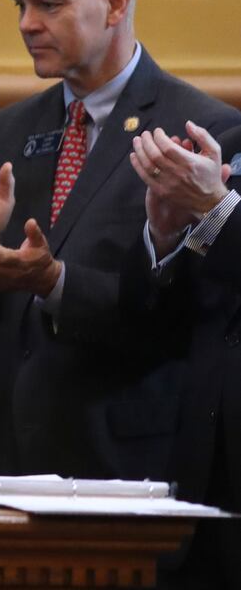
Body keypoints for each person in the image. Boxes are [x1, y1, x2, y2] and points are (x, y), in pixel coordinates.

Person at [0, 0, 240, 480]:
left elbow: (186, 320)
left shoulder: (202, 134)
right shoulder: (2, 133)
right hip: (4, 469)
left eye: (48, 5)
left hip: (128, 472)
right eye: (19, 5)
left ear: (116, 2)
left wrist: (55, 282)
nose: (26, 24)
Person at [130, 123, 241, 587]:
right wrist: (166, 233)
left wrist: (217, 208)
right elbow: (163, 322)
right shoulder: (231, 147)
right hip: (202, 489)